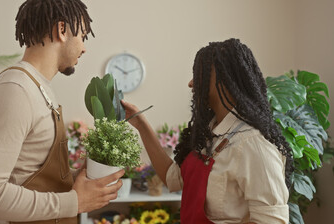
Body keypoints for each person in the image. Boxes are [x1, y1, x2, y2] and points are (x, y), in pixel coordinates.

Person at [0, 0, 124, 224]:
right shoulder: (15, 91)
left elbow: (30, 174)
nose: (84, 48)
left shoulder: (38, 88)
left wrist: (79, 181)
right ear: (62, 30)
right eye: (83, 37)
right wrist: (74, 202)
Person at [122, 38, 293, 224]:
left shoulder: (253, 145)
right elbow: (172, 179)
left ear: (225, 79)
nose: (191, 83)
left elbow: (272, 221)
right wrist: (140, 123)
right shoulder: (208, 137)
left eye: (200, 74)